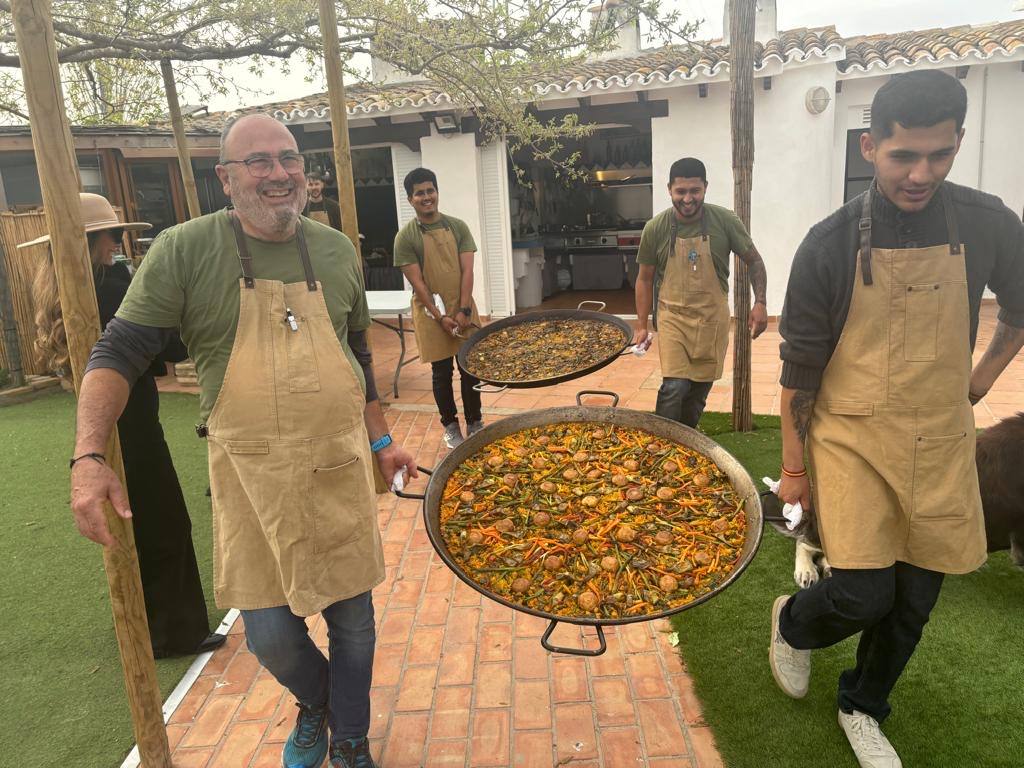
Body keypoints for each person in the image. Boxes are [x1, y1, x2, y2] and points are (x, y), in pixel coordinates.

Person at [68, 114, 416, 768]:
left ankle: (350, 743)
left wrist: (382, 441)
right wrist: (89, 454)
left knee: (355, 629)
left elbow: (358, 354)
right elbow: (118, 350)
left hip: (338, 471)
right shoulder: (184, 250)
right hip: (251, 482)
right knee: (271, 637)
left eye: (288, 158)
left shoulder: (337, 250)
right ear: (226, 179)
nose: (278, 172)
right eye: (257, 162)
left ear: (304, 174)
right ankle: (321, 707)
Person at [771, 70, 1024, 768]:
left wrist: (976, 384)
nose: (921, 173)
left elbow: (1021, 307)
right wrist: (794, 469)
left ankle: (862, 704)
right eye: (903, 156)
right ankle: (792, 625)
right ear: (868, 147)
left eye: (939, 155)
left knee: (913, 600)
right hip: (852, 436)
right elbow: (799, 372)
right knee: (860, 592)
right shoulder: (827, 244)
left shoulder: (988, 222)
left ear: (958, 144)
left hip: (940, 439)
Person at [27, 193, 225, 659]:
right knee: (163, 520)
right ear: (99, 240)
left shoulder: (60, 287)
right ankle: (174, 632)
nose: (120, 243)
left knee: (134, 522)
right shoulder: (115, 285)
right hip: (133, 417)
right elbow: (170, 349)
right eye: (115, 235)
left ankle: (147, 619)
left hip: (99, 416)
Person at [633, 157, 768, 427]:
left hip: (711, 321)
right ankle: (664, 442)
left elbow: (755, 261)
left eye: (694, 190)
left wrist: (760, 302)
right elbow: (644, 279)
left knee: (696, 395)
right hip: (673, 319)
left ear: (705, 187)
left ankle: (686, 445)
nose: (687, 198)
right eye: (680, 191)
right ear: (669, 189)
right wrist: (641, 324)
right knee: (675, 387)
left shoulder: (725, 221)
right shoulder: (655, 228)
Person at [394, 167, 483, 449]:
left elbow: (467, 270)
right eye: (420, 193)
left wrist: (464, 310)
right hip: (432, 314)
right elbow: (417, 282)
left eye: (430, 191)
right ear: (410, 199)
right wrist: (439, 315)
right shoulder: (405, 237)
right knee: (441, 372)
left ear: (437, 192)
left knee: (470, 367)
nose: (426, 197)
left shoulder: (457, 227)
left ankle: (475, 421)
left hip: (463, 305)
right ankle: (450, 426)